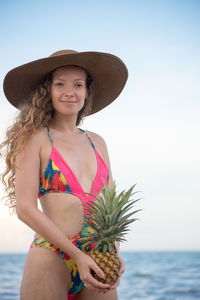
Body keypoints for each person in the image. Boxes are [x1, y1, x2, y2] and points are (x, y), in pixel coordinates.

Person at [1, 49, 128, 300]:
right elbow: (26, 208)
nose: (69, 91)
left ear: (87, 91)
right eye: (60, 84)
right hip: (51, 256)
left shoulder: (97, 142)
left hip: (98, 258)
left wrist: (112, 251)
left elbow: (109, 206)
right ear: (48, 90)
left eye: (78, 84)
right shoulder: (34, 138)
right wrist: (78, 256)